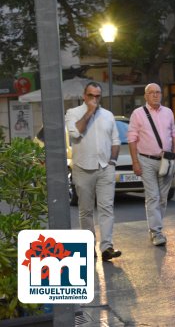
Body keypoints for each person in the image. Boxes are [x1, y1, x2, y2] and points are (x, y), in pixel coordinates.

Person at [65, 82, 122, 261]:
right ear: (84, 96)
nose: (94, 99)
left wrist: (112, 161)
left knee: (106, 208)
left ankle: (107, 247)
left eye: (97, 96)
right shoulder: (72, 113)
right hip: (82, 167)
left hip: (105, 167)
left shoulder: (108, 115)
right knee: (86, 210)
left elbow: (115, 140)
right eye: (91, 95)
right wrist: (89, 112)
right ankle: (90, 246)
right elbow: (75, 134)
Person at [127, 83, 175, 246]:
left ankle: (157, 228)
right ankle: (156, 232)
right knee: (153, 196)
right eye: (152, 93)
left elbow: (174, 135)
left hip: (166, 161)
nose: (156, 95)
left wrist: (174, 156)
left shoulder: (168, 112)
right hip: (146, 160)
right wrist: (135, 162)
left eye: (158, 92)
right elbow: (132, 139)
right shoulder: (138, 114)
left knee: (163, 198)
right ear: (146, 96)